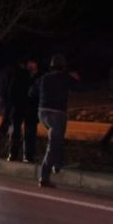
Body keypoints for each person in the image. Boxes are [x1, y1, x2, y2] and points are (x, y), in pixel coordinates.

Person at [30, 53, 80, 188]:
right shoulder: (65, 78)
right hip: (57, 113)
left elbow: (31, 92)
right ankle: (44, 177)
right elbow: (79, 87)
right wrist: (75, 78)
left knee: (56, 140)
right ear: (63, 66)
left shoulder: (43, 78)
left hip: (42, 112)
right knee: (54, 143)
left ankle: (57, 165)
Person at [0, 58, 29, 158]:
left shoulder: (7, 71)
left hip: (7, 104)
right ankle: (12, 154)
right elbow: (15, 89)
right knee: (15, 129)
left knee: (4, 127)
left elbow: (2, 89)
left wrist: (4, 103)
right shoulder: (20, 73)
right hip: (15, 105)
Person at [21, 56, 41, 163]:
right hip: (24, 107)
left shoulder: (40, 77)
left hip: (34, 108)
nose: (30, 65)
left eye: (32, 63)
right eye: (29, 63)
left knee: (30, 132)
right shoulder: (24, 76)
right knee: (26, 132)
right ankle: (25, 155)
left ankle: (29, 155)